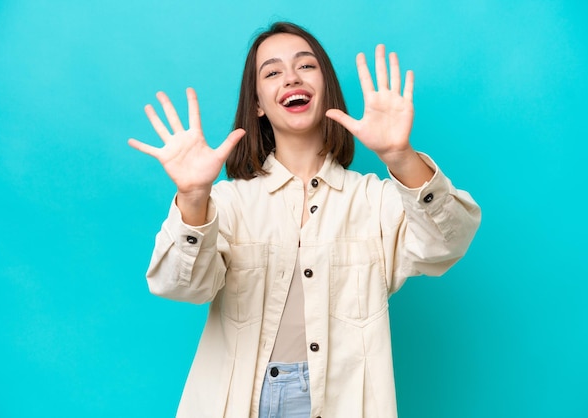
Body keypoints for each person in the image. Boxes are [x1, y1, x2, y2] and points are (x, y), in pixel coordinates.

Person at [129, 21, 480, 418]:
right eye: (273, 72)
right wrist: (193, 198)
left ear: (326, 86)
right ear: (258, 103)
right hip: (242, 402)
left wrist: (401, 156)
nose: (291, 77)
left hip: (341, 402)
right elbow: (178, 286)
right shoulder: (225, 204)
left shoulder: (374, 198)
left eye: (306, 66)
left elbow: (448, 241)